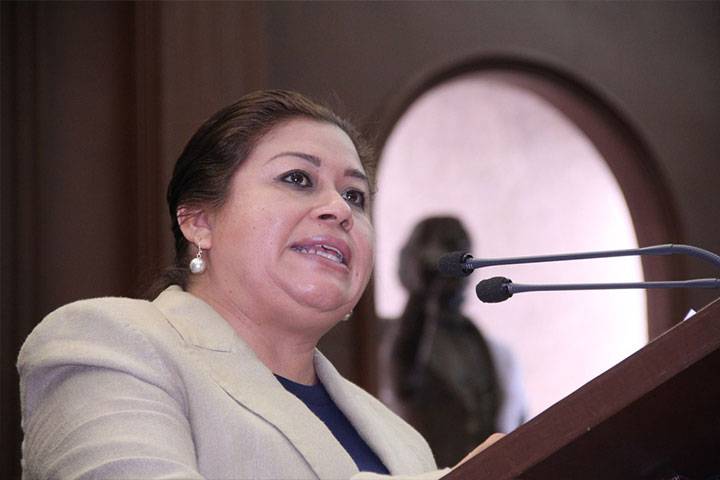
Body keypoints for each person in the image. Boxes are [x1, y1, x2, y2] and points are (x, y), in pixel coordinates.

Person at [17, 90, 500, 480]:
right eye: (298, 178)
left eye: (355, 196)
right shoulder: (109, 344)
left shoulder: (402, 441)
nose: (339, 209)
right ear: (199, 221)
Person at [379, 216, 526, 467]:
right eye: (448, 253)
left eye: (465, 253)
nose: (462, 270)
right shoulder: (398, 340)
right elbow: (402, 375)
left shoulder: (490, 349)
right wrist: (421, 295)